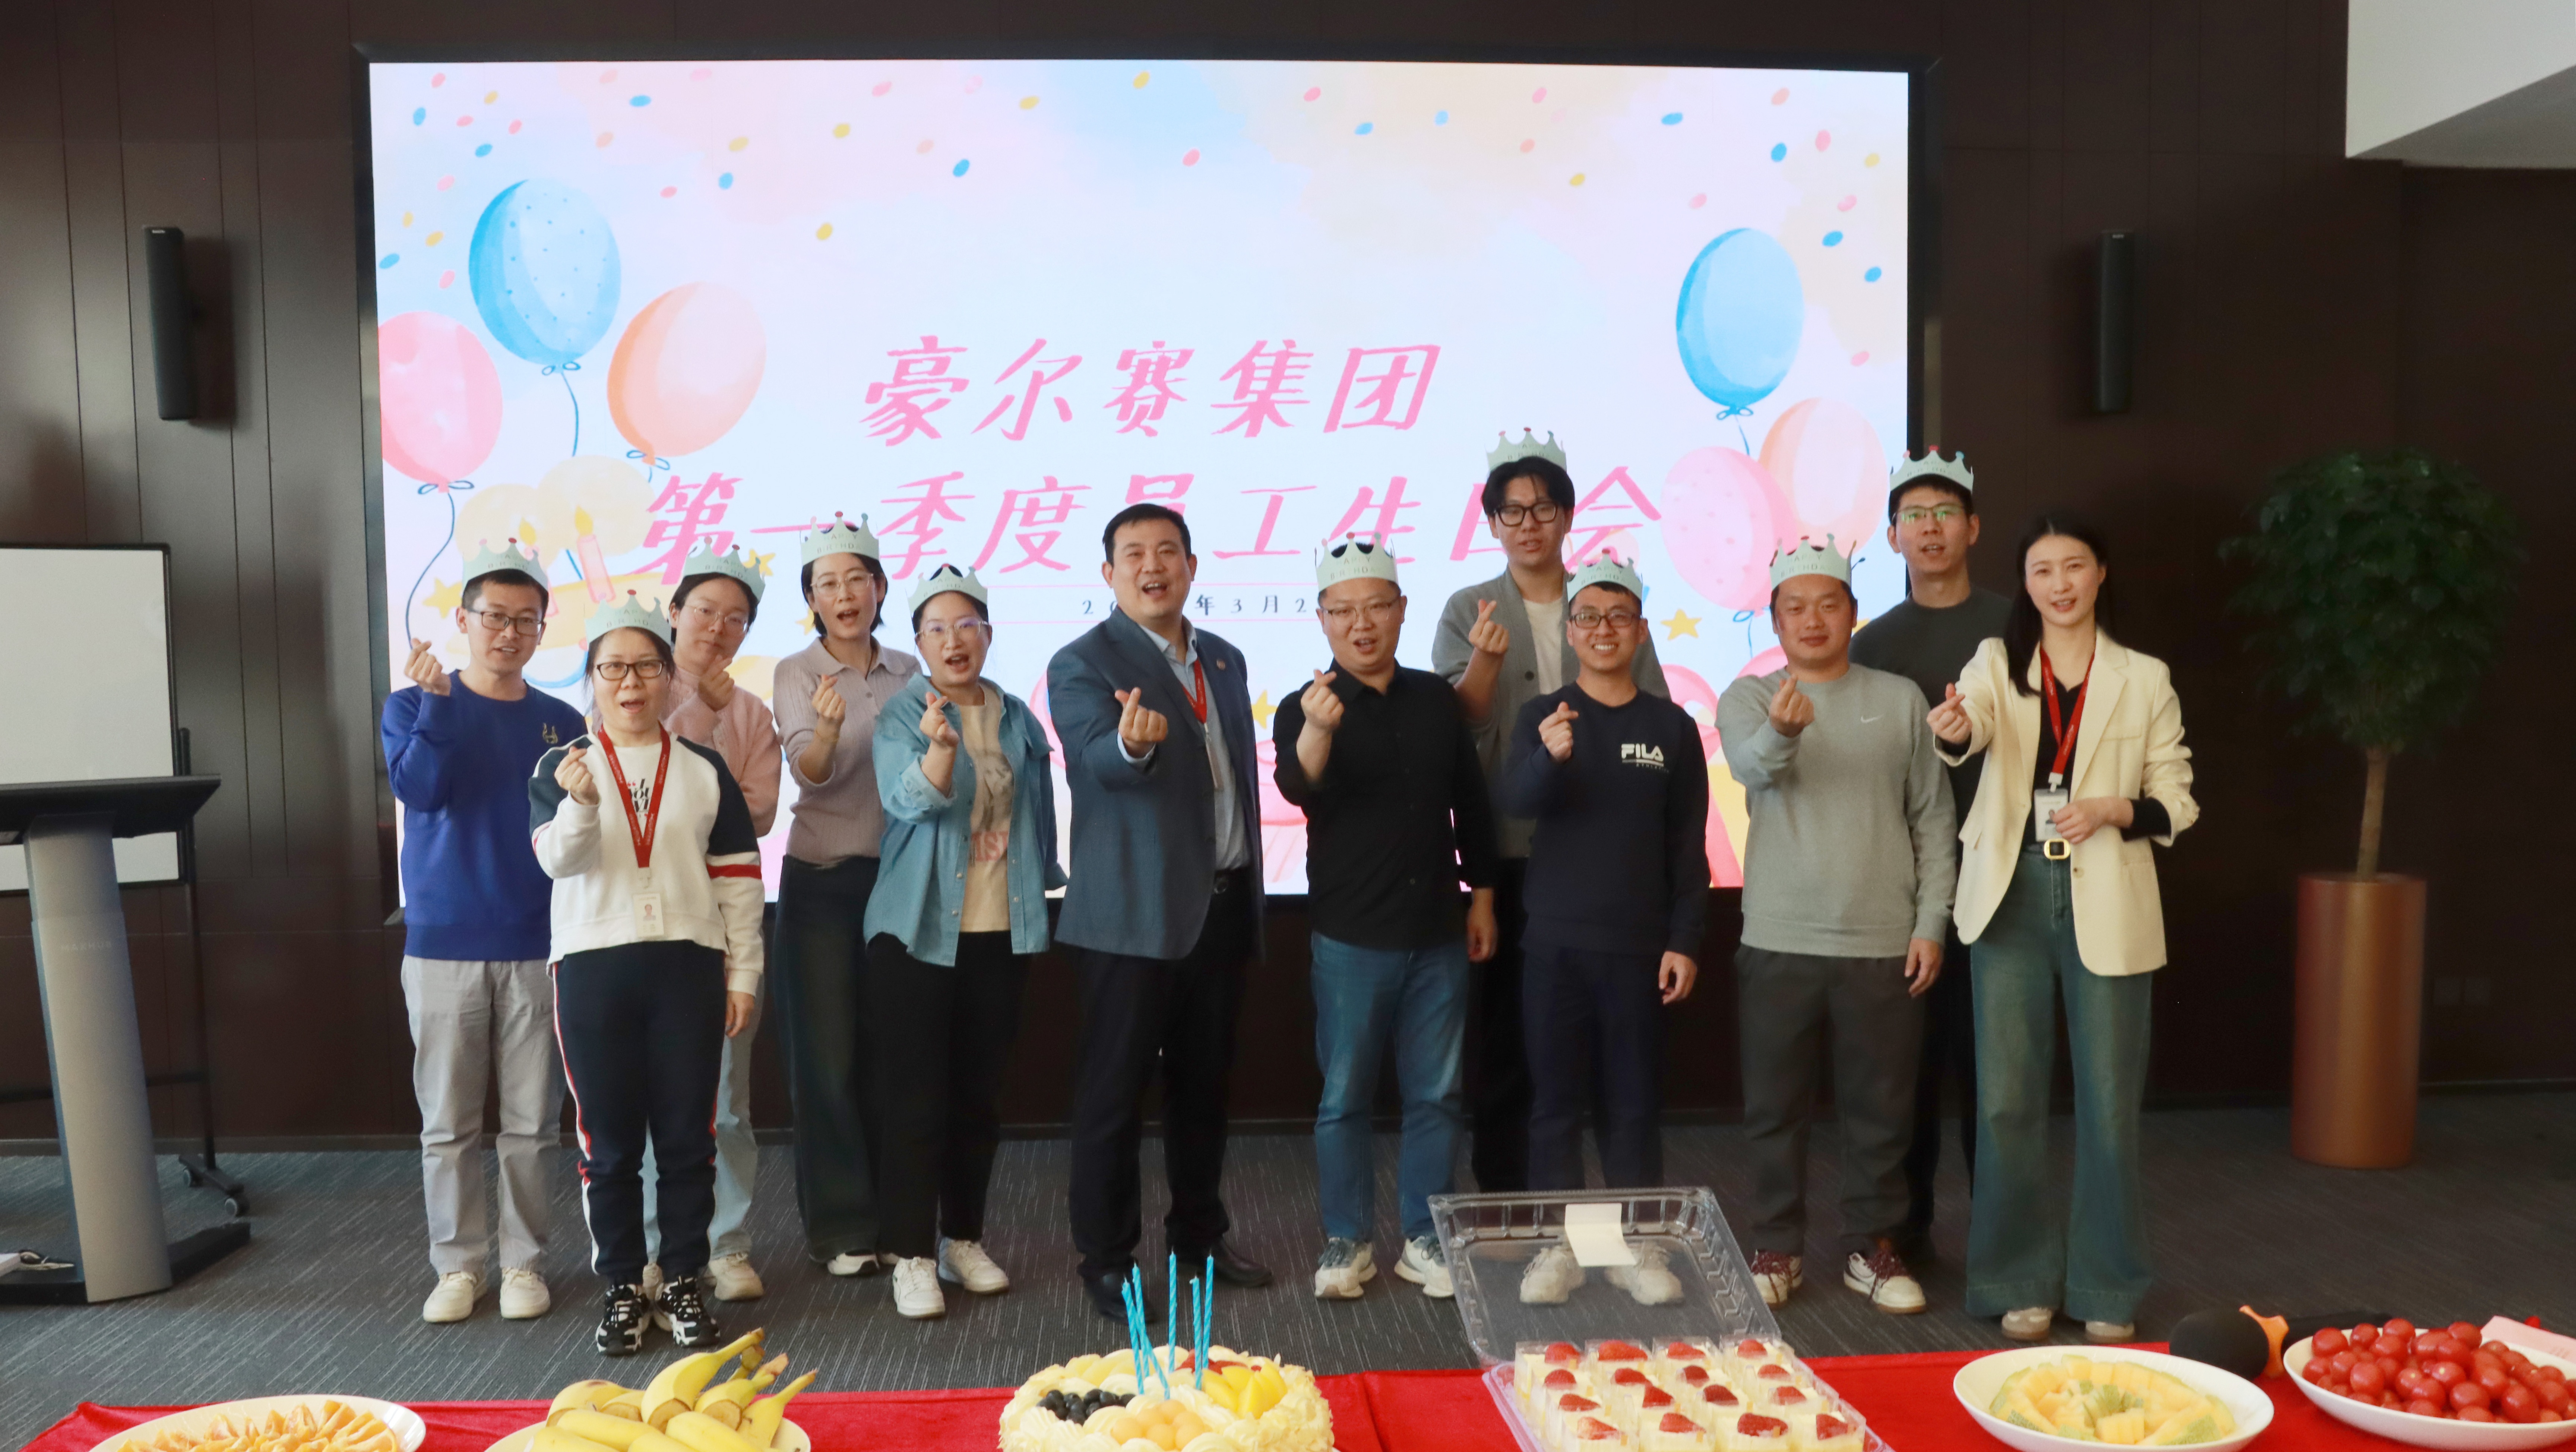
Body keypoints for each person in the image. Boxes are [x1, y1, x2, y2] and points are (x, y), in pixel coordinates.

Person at [1925, 515, 2196, 1344]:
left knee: (2109, 1105)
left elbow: (2177, 798)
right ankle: (2018, 1278)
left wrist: (2116, 808)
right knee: (2005, 1103)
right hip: (2007, 894)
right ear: (2026, 582)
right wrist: (1955, 729)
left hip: (2105, 891)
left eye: (2073, 566)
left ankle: (2108, 1284)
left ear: (2100, 572)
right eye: (2041, 570)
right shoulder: (1994, 661)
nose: (2059, 584)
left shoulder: (2143, 677)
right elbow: (1970, 722)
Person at [1717, 537, 1956, 1316]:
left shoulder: (1899, 698)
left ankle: (1870, 1246)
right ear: (1774, 620)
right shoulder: (1749, 698)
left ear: (1853, 613)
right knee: (1774, 1110)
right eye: (1795, 607)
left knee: (1880, 1110)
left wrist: (1930, 922)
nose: (1812, 619)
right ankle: (1776, 1247)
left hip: (1881, 939)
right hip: (1777, 939)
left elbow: (1932, 817)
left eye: (1828, 604)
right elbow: (1753, 768)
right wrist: (1784, 731)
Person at [1048, 502, 1271, 1322]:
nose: (1153, 566)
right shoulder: (1081, 661)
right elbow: (1094, 759)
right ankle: (1107, 1259)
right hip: (1130, 918)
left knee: (1204, 1089)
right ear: (1108, 574)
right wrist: (1133, 744)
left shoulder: (1224, 658)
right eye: (1135, 553)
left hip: (1220, 905)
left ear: (1191, 567)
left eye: (1168, 551)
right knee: (1114, 1095)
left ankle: (1199, 1236)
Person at [529, 592, 765, 1354]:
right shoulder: (561, 766)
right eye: (612, 669)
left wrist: (743, 976)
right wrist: (580, 804)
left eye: (645, 667)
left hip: (688, 968)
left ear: (669, 677)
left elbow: (738, 878)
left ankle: (685, 1277)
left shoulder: (702, 768)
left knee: (690, 1136)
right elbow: (556, 861)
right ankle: (625, 1286)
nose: (629, 683)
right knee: (610, 1145)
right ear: (592, 677)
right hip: (591, 968)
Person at [1433, 432, 1667, 1196]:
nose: (1528, 523)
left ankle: (1617, 1203)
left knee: (1611, 1051)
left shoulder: (1604, 601)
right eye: (1512, 510)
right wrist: (1484, 662)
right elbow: (1459, 727)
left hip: (1600, 857)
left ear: (1567, 516)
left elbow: (1654, 720)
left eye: (1542, 508)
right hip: (1505, 851)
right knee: (1507, 1035)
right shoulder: (1466, 608)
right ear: (1491, 523)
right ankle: (1506, 1198)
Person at [1273, 535, 1501, 1303]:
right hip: (1350, 935)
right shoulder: (1303, 706)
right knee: (1344, 1099)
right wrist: (1318, 728)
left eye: (1376, 607)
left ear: (1402, 610)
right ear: (1322, 618)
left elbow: (1469, 800)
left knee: (1436, 1095)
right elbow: (1298, 786)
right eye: (1343, 611)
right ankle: (1346, 1239)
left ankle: (1423, 1236)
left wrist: (1483, 895)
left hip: (1438, 927)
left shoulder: (1435, 699)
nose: (1361, 624)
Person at [380, 540, 585, 1325]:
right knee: (448, 1125)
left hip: (539, 941)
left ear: (542, 631)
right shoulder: (413, 705)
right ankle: (458, 1266)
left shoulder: (562, 722)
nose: (508, 632)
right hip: (442, 944)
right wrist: (436, 705)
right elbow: (420, 791)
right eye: (494, 617)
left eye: (525, 620)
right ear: (463, 620)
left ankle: (525, 1263)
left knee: (531, 1124)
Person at [1499, 552, 1706, 1308]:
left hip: (1637, 950)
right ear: (1570, 631)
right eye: (1587, 616)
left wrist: (1685, 938)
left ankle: (1631, 1246)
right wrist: (1548, 759)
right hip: (1553, 945)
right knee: (1554, 1105)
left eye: (1618, 616)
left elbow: (1687, 845)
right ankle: (1562, 1247)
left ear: (1641, 630)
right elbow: (1515, 802)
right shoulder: (1545, 715)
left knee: (1631, 1106)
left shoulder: (1670, 726)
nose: (1603, 629)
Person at [865, 565, 1065, 1320]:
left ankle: (962, 1238)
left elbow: (1038, 813)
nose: (954, 641)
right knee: (915, 1099)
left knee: (979, 1098)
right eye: (937, 629)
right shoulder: (902, 714)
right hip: (917, 933)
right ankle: (910, 1254)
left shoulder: (1016, 716)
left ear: (988, 633)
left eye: (967, 626)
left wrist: (1048, 889)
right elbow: (906, 802)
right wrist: (939, 750)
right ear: (918, 643)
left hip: (1000, 930)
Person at [1846, 449, 2011, 1262]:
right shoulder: (1872, 644)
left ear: (1972, 527)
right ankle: (1903, 1232)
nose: (1930, 528)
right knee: (1905, 1066)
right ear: (1892, 536)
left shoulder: (2017, 626)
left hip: (2005, 874)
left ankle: (2001, 1236)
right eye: (1914, 515)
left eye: (1945, 512)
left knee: (1996, 1071)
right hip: (1908, 883)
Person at [769, 515, 920, 1278]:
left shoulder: (911, 669)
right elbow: (811, 770)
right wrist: (826, 733)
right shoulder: (798, 672)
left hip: (901, 882)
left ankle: (899, 1220)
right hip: (824, 884)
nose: (844, 594)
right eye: (826, 584)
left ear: (880, 587)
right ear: (812, 601)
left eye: (856, 578)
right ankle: (841, 1228)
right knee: (826, 1060)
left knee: (895, 1054)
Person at [641, 542, 781, 1306]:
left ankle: (726, 1245)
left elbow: (754, 814)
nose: (718, 628)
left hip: (721, 929)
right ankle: (652, 1249)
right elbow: (639, 786)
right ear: (674, 612)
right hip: (642, 926)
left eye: (736, 619)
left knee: (725, 1102)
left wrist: (721, 716)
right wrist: (698, 708)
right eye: (704, 611)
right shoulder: (632, 689)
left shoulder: (752, 713)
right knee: (646, 1101)